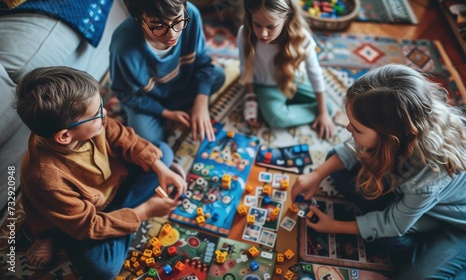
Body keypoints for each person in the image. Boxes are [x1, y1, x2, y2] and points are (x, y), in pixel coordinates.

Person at [291, 64, 466, 279]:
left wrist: (335, 226)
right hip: (424, 206)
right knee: (336, 166)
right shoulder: (406, 125)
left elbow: (393, 224)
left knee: (411, 272)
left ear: (391, 140)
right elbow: (355, 148)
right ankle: (419, 243)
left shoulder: (427, 179)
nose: (347, 130)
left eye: (357, 128)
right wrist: (316, 175)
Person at [14, 66, 187, 279]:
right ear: (64, 136)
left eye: (101, 105)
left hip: (112, 189)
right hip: (81, 218)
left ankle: (122, 218)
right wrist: (145, 212)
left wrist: (159, 168)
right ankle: (53, 236)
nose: (105, 113)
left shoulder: (94, 121)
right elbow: (88, 226)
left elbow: (126, 138)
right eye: (96, 113)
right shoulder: (47, 179)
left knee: (163, 154)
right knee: (103, 270)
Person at [109, 0, 225, 145]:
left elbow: (203, 62)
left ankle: (170, 113)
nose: (172, 34)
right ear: (138, 19)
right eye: (158, 26)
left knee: (218, 76)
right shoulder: (123, 48)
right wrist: (166, 113)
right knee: (146, 140)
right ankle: (165, 115)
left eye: (177, 20)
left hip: (180, 87)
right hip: (148, 99)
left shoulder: (191, 14)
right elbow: (125, 94)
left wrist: (201, 104)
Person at [238, 0, 335, 139]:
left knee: (327, 107)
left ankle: (306, 107)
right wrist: (250, 97)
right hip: (267, 85)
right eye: (257, 25)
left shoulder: (302, 38)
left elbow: (315, 74)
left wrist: (323, 113)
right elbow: (245, 67)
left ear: (287, 18)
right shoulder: (244, 34)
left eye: (271, 27)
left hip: (294, 79)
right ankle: (288, 104)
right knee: (276, 119)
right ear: (250, 16)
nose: (263, 34)